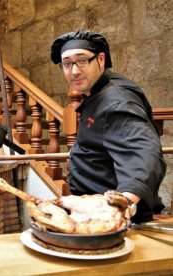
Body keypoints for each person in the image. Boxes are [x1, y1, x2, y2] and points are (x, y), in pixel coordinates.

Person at [50, 29, 166, 223]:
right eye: (67, 64)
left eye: (82, 60)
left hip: (114, 217)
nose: (75, 71)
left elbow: (142, 151)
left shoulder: (117, 101)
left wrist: (124, 205)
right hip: (95, 210)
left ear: (101, 60)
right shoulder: (97, 93)